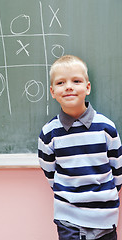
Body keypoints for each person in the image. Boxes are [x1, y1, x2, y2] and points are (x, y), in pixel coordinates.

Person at [38, 55, 122, 240]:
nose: (68, 86)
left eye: (76, 81)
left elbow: (117, 170)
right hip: (68, 218)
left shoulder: (106, 128)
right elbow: (50, 172)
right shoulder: (49, 133)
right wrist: (67, 194)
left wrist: (105, 196)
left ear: (88, 87)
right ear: (52, 91)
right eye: (61, 82)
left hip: (105, 218)